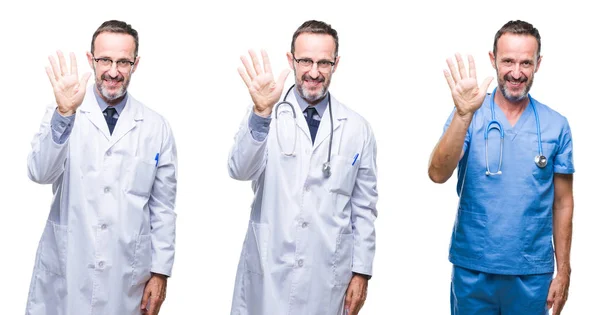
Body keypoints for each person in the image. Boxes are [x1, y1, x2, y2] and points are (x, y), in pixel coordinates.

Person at [26, 20, 177, 315]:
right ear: (90, 60)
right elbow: (39, 172)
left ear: (135, 64)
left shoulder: (155, 126)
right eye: (105, 60)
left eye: (123, 62)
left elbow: (163, 208)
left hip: (127, 278)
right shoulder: (65, 113)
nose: (113, 71)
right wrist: (64, 114)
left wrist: (160, 273)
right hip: (67, 271)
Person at [228, 20, 378, 315]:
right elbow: (239, 169)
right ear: (290, 60)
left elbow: (364, 208)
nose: (314, 72)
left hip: (327, 275)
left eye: (324, 62)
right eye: (306, 61)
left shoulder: (358, 128)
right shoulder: (265, 113)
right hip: (269, 269)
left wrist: (361, 272)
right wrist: (260, 113)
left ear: (336, 63)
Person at [428, 20, 574, 314]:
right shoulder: (469, 114)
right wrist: (462, 114)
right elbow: (437, 173)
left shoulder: (556, 125)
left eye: (526, 63)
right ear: (493, 60)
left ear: (538, 64)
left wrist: (564, 271)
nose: (516, 73)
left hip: (532, 274)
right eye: (508, 61)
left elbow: (562, 203)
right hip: (473, 270)